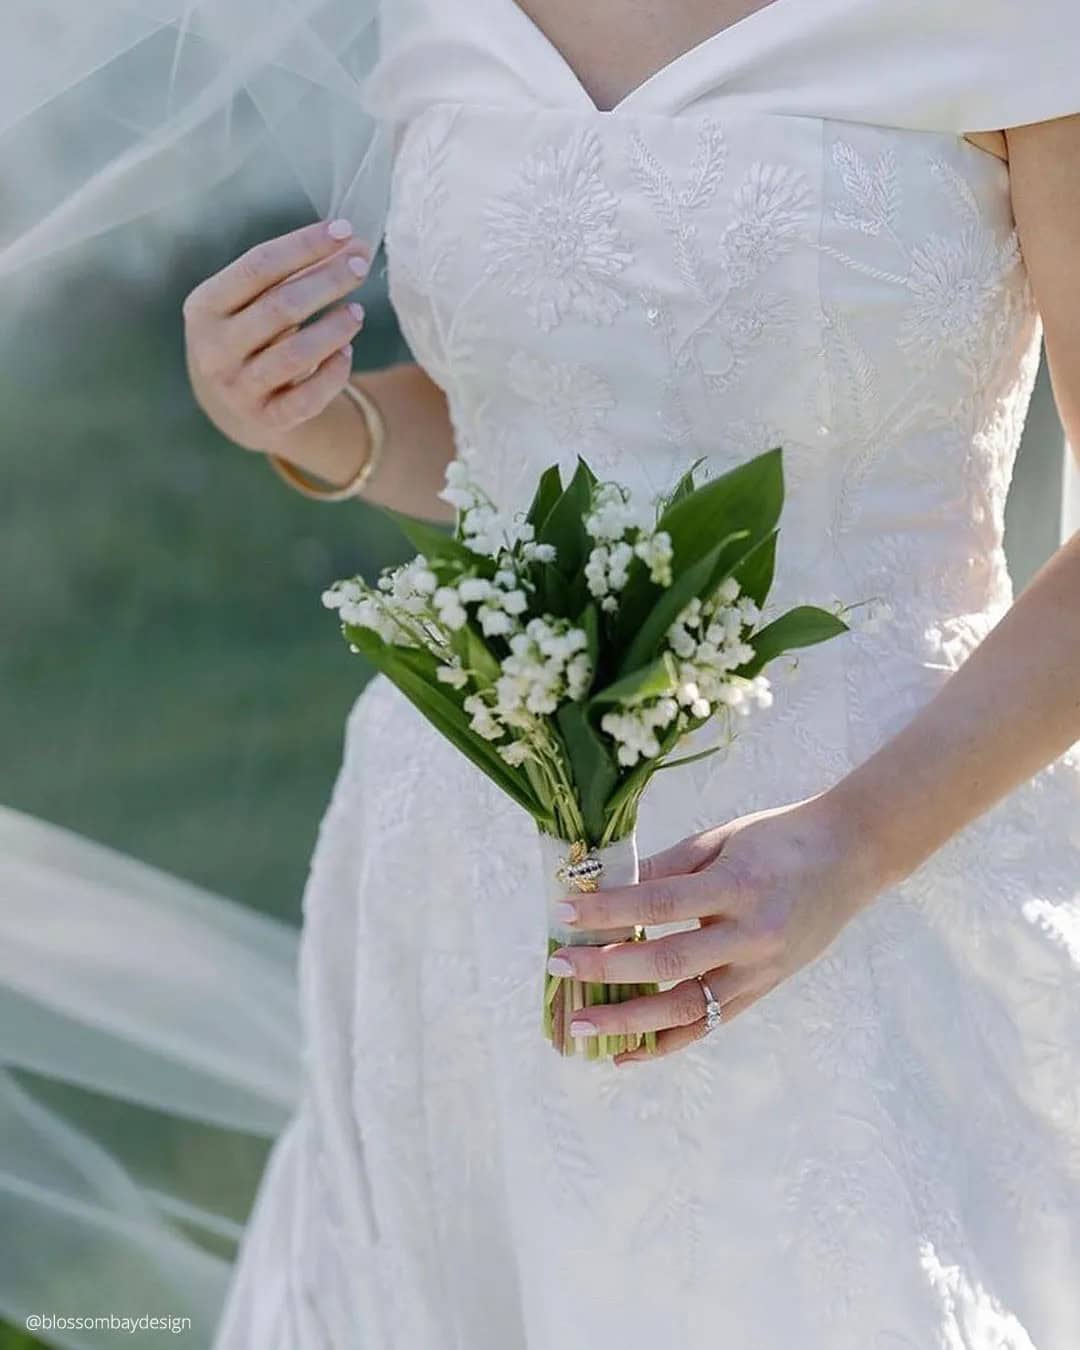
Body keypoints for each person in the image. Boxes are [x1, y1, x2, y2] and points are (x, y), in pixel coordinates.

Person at [2, 0, 1079, 1346]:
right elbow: (517, 440)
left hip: (868, 899)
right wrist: (311, 420)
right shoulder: (430, 15)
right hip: (464, 900)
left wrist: (848, 848)